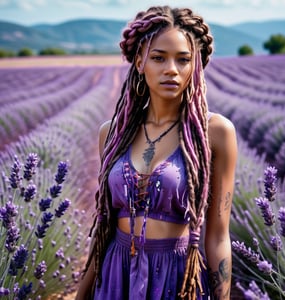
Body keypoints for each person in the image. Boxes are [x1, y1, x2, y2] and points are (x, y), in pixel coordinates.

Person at [76, 5, 237, 300]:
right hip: (116, 274)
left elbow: (217, 235)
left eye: (183, 59)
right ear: (140, 62)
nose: (171, 69)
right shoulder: (112, 133)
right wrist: (82, 294)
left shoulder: (215, 132)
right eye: (158, 57)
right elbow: (104, 226)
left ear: (196, 65)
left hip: (176, 277)